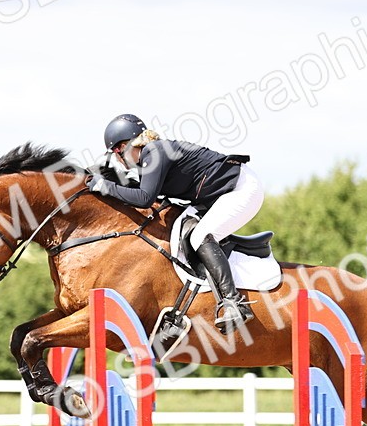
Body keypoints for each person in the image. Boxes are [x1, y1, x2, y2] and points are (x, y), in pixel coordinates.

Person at [85, 114, 263, 334]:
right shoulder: (150, 158)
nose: (119, 161)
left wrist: (105, 186)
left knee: (199, 236)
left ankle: (234, 303)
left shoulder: (154, 151)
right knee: (180, 235)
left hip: (241, 189)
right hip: (217, 195)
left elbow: (144, 198)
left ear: (123, 147)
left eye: (116, 154)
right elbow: (138, 192)